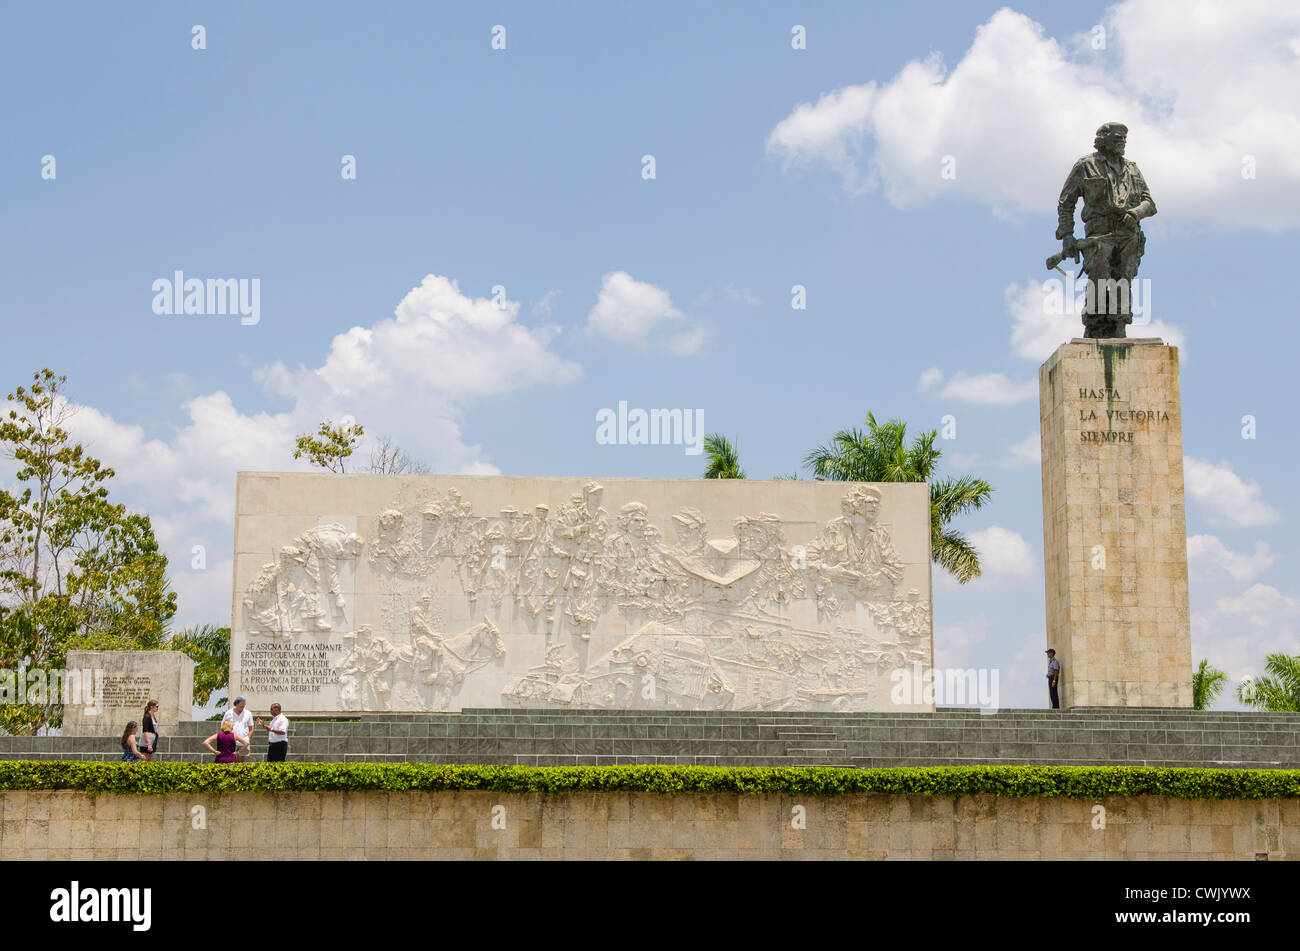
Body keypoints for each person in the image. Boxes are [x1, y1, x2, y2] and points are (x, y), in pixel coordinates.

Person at [225, 696, 255, 762]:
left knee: (241, 760)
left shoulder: (248, 713)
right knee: (232, 759)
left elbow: (251, 728)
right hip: (231, 740)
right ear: (236, 704)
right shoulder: (228, 713)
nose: (243, 707)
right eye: (241, 705)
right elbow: (223, 726)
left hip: (244, 740)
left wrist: (248, 738)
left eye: (244, 705)